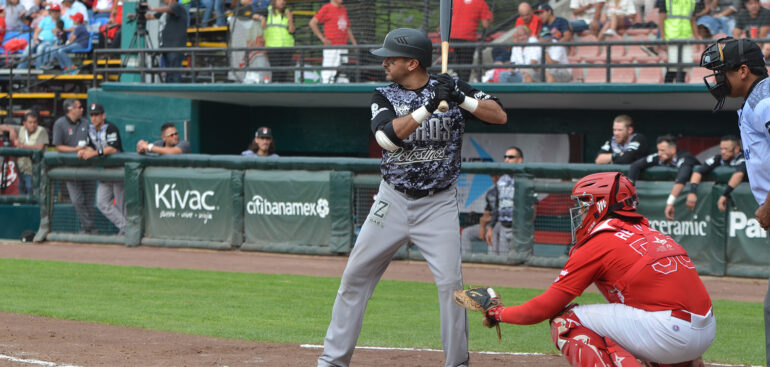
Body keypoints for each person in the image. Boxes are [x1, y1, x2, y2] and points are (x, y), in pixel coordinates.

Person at [317, 28, 507, 367]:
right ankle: (332, 361)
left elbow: (499, 114)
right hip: (392, 200)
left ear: (412, 63)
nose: (385, 62)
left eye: (391, 58)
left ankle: (457, 363)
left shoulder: (451, 87)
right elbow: (387, 139)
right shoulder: (384, 94)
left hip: (439, 203)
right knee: (354, 278)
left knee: (452, 288)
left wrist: (460, 98)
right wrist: (427, 107)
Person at [464, 172, 715, 366]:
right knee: (618, 324)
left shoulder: (601, 240)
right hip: (701, 334)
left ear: (602, 204)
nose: (581, 211)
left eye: (585, 203)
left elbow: (543, 309)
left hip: (670, 334)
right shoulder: (651, 232)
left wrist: (498, 313)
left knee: (565, 320)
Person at [700, 37, 770, 360]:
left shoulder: (764, 100)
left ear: (743, 70)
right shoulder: (756, 100)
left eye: (722, 71)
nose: (718, 78)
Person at [78, 103, 125, 235]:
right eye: (92, 115)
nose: (94, 118)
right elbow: (90, 146)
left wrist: (93, 153)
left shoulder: (110, 128)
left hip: (117, 169)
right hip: (105, 170)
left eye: (97, 115)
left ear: (103, 115)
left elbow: (113, 148)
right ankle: (126, 227)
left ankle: (128, 230)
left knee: (122, 203)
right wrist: (83, 150)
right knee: (102, 203)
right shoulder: (91, 129)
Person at [52, 99, 96, 234]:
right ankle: (89, 227)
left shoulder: (86, 123)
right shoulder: (60, 123)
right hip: (71, 168)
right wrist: (75, 149)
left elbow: (94, 141)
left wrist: (89, 148)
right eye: (79, 107)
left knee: (89, 201)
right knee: (77, 200)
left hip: (88, 167)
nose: (82, 109)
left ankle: (86, 230)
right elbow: (58, 147)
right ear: (71, 109)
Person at [681, 135, 746, 214]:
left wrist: (724, 195)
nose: (723, 152)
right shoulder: (719, 158)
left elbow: (739, 175)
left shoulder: (745, 158)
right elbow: (697, 172)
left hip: (744, 202)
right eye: (721, 149)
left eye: (726, 149)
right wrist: (692, 192)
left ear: (736, 149)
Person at [485, 147, 525, 258]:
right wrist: (491, 227)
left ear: (520, 160)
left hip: (519, 230)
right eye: (505, 157)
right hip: (503, 227)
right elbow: (497, 207)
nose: (507, 159)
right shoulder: (501, 180)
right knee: (505, 262)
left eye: (511, 157)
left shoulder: (525, 178)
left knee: (521, 262)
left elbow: (533, 207)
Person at [308, 0, 357, 84]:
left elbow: (347, 28)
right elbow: (312, 23)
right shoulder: (326, 8)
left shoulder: (343, 9)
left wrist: (354, 44)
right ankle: (325, 92)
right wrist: (323, 39)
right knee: (328, 73)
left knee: (343, 74)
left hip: (343, 47)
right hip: (332, 47)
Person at [0, 111, 48, 195]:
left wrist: (22, 146)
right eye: (30, 122)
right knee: (22, 195)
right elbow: (1, 127)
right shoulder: (21, 129)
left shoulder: (41, 130)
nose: (32, 125)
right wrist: (10, 130)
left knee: (32, 194)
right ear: (25, 123)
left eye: (35, 122)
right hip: (21, 171)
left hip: (35, 171)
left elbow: (40, 147)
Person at [656, 0, 701, 83]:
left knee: (685, 67)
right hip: (672, 39)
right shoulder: (666, 1)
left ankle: (681, 89)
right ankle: (667, 89)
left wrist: (697, 38)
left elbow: (693, 21)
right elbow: (661, 19)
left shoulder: (691, 1)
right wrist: (663, 39)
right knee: (672, 68)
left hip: (686, 39)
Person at [448, 0, 492, 81]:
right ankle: (463, 88)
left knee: (456, 64)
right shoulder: (480, 2)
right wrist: (490, 18)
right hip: (468, 38)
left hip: (453, 36)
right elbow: (485, 23)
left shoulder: (454, 1)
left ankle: (455, 82)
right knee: (465, 67)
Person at [252, 0, 295, 83]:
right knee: (276, 71)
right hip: (273, 46)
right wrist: (261, 18)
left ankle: (283, 90)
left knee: (284, 72)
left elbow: (292, 31)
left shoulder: (288, 12)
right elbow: (252, 15)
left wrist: (290, 19)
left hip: (288, 46)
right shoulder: (268, 11)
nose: (283, 2)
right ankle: (275, 90)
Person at [145, 0, 188, 83]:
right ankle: (169, 92)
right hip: (166, 46)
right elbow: (152, 16)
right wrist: (136, 15)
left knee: (174, 73)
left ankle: (175, 93)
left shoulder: (177, 7)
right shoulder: (166, 10)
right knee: (169, 73)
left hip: (175, 46)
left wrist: (153, 8)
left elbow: (169, 10)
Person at [460, 175, 499, 254]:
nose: (494, 178)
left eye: (497, 175)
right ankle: (468, 260)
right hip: (490, 224)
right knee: (466, 233)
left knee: (492, 232)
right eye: (493, 176)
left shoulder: (507, 190)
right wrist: (482, 226)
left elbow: (501, 215)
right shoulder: (491, 193)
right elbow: (486, 215)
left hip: (501, 224)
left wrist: (488, 223)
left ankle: (492, 261)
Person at [18, 3, 61, 70]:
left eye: (56, 11)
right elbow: (37, 31)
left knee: (40, 48)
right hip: (39, 39)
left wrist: (59, 30)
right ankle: (19, 70)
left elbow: (71, 28)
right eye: (53, 11)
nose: (54, 13)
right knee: (28, 49)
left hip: (49, 41)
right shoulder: (46, 19)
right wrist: (35, 39)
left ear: (59, 12)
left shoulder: (61, 21)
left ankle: (38, 70)